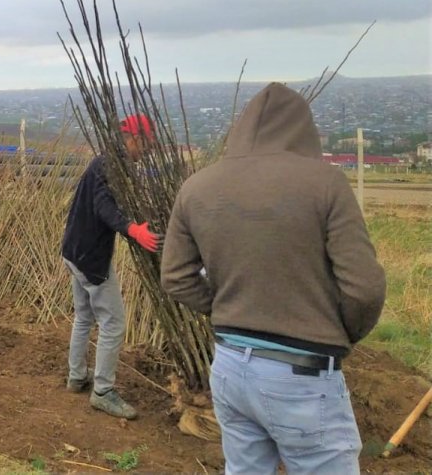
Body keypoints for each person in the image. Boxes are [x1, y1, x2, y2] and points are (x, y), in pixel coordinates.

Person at [162, 82, 386, 475]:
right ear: (304, 131)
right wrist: (340, 333)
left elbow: (176, 277)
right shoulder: (325, 184)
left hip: (230, 365)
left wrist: (229, 307)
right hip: (301, 369)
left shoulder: (196, 186)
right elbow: (365, 289)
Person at [60, 114, 162, 419]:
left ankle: (77, 376)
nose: (148, 151)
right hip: (90, 257)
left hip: (73, 250)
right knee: (114, 322)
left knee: (83, 316)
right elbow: (104, 208)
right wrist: (134, 230)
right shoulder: (109, 167)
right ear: (132, 139)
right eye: (146, 145)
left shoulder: (106, 162)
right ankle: (103, 391)